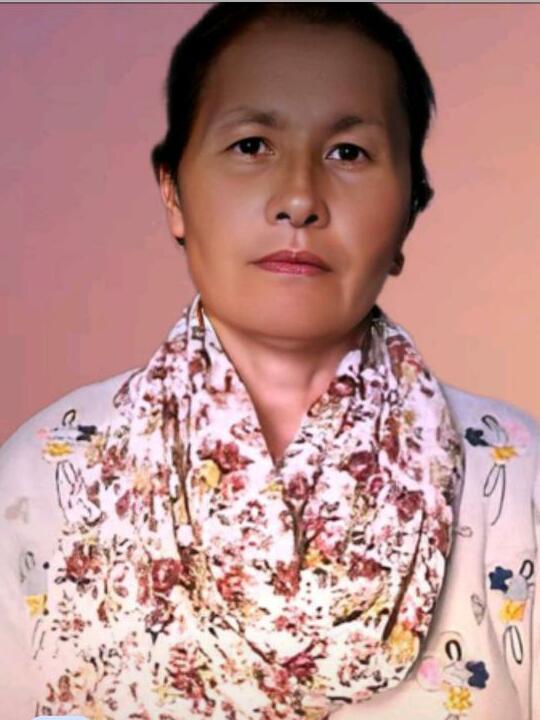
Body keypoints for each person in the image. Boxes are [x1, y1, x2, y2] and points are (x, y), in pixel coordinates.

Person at [0, 3, 538, 719]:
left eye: (349, 153)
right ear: (173, 193)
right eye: (252, 145)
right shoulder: (47, 474)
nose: (299, 199)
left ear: (409, 210)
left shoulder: (516, 481)